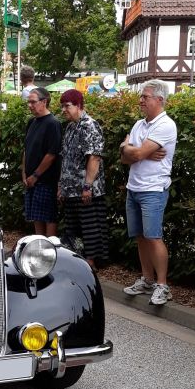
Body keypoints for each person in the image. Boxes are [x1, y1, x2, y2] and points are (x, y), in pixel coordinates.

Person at [120, 79, 178, 306]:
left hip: (153, 189)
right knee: (140, 237)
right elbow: (125, 158)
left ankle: (162, 285)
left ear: (159, 99)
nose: (141, 100)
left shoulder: (166, 125)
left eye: (145, 97)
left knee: (153, 237)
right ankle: (147, 280)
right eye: (141, 96)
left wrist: (132, 150)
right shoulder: (139, 124)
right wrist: (129, 149)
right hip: (134, 187)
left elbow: (135, 154)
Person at [58, 89, 110, 266]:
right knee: (72, 230)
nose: (63, 110)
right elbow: (66, 158)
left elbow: (94, 157)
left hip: (85, 190)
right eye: (62, 106)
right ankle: (76, 264)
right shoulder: (71, 127)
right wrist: (61, 186)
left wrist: (87, 186)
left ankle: (90, 266)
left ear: (79, 105)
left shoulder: (90, 125)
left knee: (90, 229)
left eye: (67, 106)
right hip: (70, 190)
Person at [21, 88, 60, 237]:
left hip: (46, 180)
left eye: (33, 102)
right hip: (31, 179)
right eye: (28, 102)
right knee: (35, 216)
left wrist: (36, 175)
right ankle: (39, 245)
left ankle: (50, 247)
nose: (30, 105)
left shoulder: (53, 123)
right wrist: (24, 173)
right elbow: (26, 148)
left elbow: (52, 154)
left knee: (48, 216)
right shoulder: (31, 122)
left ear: (44, 102)